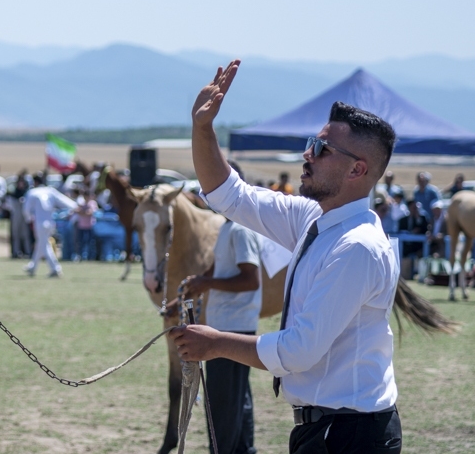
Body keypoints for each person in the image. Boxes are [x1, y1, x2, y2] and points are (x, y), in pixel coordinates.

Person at [171, 60, 401, 454]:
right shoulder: (315, 218)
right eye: (311, 143)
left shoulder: (357, 246)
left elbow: (298, 351)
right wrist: (202, 129)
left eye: (320, 149)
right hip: (327, 430)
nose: (306, 155)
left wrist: (215, 344)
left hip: (351, 435)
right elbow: (229, 195)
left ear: (357, 170)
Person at [178, 160, 262, 454]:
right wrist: (196, 286)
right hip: (226, 325)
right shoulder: (229, 227)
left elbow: (250, 280)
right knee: (237, 401)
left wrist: (208, 284)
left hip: (231, 328)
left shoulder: (240, 229)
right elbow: (213, 273)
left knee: (222, 407)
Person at [22, 173, 77, 277]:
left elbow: (26, 210)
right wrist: (76, 206)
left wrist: (29, 218)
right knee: (41, 244)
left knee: (44, 245)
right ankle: (32, 267)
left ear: (35, 182)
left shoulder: (32, 192)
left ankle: (55, 269)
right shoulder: (50, 191)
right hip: (51, 222)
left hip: (39, 223)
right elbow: (63, 200)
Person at [8, 170, 32, 258]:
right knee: (16, 234)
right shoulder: (14, 193)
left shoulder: (27, 193)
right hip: (16, 214)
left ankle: (28, 251)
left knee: (25, 234)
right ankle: (16, 252)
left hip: (24, 215)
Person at [72, 189, 97, 261]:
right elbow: (77, 211)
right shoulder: (82, 203)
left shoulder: (92, 203)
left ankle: (90, 257)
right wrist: (84, 212)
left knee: (90, 242)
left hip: (90, 226)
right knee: (80, 242)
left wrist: (82, 212)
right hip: (81, 226)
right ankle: (80, 256)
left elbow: (90, 213)